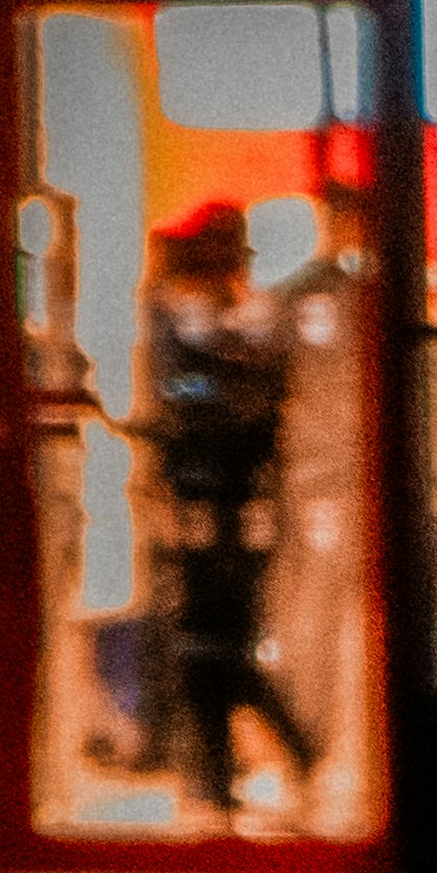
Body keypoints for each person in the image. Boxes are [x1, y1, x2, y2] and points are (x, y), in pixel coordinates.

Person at [142, 205, 311, 815]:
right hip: (199, 502)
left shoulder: (257, 325)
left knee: (226, 647)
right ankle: (220, 776)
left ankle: (279, 757)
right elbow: (179, 394)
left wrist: (219, 369)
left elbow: (255, 403)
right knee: (201, 647)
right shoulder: (184, 323)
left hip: (244, 505)